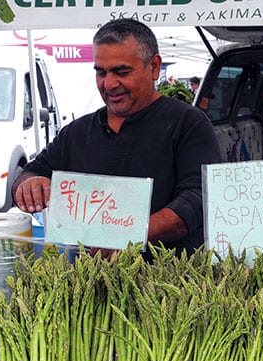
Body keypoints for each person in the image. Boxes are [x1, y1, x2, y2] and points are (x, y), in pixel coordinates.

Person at [12, 19, 222, 254]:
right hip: (91, 279)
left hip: (169, 280)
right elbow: (30, 173)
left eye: (122, 72)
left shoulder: (188, 123)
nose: (109, 84)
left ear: (154, 67)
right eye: (101, 73)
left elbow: (198, 199)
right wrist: (28, 184)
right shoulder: (77, 132)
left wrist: (129, 238)